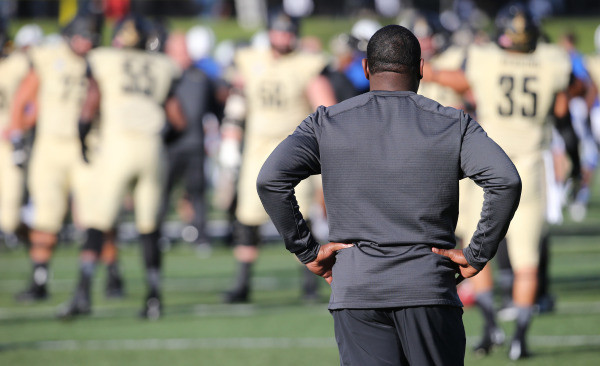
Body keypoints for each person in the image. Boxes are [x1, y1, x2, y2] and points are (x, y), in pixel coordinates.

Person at [257, 24, 521, 366]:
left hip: (357, 289)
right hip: (428, 285)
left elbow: (270, 180)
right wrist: (478, 253)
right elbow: (506, 181)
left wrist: (306, 250)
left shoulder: (326, 122)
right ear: (422, 69)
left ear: (366, 68)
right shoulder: (453, 123)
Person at [424, 4, 572, 360]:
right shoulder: (552, 61)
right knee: (527, 262)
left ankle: (490, 322)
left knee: (475, 248)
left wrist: (425, 70)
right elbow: (565, 107)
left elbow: (459, 82)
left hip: (486, 165)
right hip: (530, 167)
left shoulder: (485, 58)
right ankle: (520, 339)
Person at [57, 14, 185, 319]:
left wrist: (83, 137)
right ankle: (154, 299)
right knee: (149, 227)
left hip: (117, 145)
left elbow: (89, 105)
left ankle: (83, 295)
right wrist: (160, 142)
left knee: (97, 222)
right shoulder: (161, 65)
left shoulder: (104, 59)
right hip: (152, 147)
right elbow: (179, 120)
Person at [9, 15, 127, 302]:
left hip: (87, 147)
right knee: (45, 217)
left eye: (91, 36)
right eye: (83, 35)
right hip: (50, 147)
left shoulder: (101, 61)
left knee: (97, 215)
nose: (87, 42)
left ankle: (113, 273)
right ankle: (39, 280)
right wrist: (15, 130)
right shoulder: (49, 57)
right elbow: (25, 97)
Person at [221, 9, 336, 303]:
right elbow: (237, 98)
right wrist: (230, 140)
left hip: (295, 150)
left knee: (302, 218)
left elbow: (326, 107)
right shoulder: (251, 60)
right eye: (279, 31)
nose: (284, 36)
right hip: (256, 149)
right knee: (247, 218)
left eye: (288, 31)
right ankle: (242, 283)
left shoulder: (307, 64)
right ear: (270, 32)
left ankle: (310, 282)